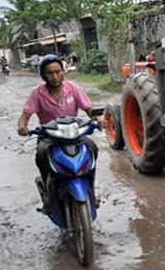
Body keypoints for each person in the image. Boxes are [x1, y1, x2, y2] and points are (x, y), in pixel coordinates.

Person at [17, 55, 102, 207]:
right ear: (43, 75)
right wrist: (22, 126)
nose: (54, 76)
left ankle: (92, 191)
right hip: (49, 136)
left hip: (74, 134)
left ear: (63, 71)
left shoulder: (73, 88)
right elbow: (25, 115)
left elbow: (90, 109)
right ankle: (48, 194)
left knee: (92, 148)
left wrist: (99, 120)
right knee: (41, 155)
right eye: (49, 73)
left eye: (57, 71)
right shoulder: (37, 93)